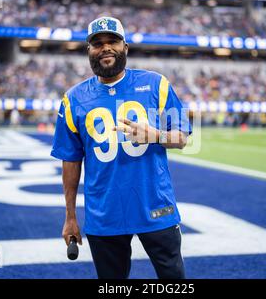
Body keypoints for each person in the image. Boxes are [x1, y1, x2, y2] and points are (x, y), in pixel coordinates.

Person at [51, 17, 192, 279]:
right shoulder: (73, 99)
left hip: (155, 205)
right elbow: (70, 160)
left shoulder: (156, 85)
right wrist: (70, 216)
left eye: (112, 41)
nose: (105, 48)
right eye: (97, 43)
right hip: (104, 212)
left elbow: (183, 138)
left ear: (125, 47)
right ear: (89, 51)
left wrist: (156, 135)